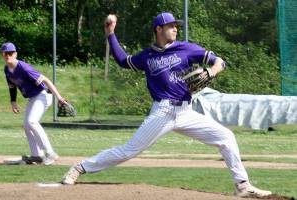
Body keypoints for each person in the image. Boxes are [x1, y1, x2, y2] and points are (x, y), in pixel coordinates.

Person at [61, 12, 271, 198]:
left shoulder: (186, 48)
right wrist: (110, 33)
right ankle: (80, 167)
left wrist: (212, 70)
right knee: (129, 151)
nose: (175, 29)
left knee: (226, 137)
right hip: (163, 112)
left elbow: (219, 61)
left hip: (186, 112)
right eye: (171, 26)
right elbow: (124, 61)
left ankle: (242, 185)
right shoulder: (147, 56)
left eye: (176, 26)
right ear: (159, 29)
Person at [0, 42, 66, 165]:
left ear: (15, 54)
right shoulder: (7, 69)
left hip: (43, 95)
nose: (7, 55)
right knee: (26, 124)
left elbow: (45, 80)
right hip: (33, 98)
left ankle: (50, 153)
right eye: (5, 53)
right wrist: (13, 102)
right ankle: (37, 155)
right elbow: (12, 86)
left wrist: (59, 97)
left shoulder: (23, 68)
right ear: (2, 55)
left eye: (10, 53)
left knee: (32, 122)